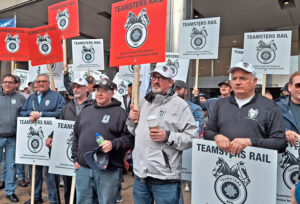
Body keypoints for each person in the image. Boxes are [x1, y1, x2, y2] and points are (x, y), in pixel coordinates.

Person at [128, 65, 198, 204]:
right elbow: (132, 131)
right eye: (154, 77)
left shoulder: (180, 105)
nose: (156, 81)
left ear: (170, 82)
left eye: (161, 78)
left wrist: (167, 137)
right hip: (140, 175)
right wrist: (130, 120)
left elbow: (192, 137)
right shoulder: (142, 102)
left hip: (165, 178)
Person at [72, 78, 134, 204]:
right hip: (83, 169)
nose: (99, 93)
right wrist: (75, 159)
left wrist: (113, 144)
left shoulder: (121, 114)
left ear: (112, 93)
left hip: (108, 171)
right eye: (97, 90)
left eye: (104, 91)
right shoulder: (86, 110)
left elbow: (129, 139)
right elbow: (76, 136)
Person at [204, 61, 287, 154]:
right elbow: (208, 131)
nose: (238, 82)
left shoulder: (269, 106)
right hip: (225, 162)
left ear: (254, 81)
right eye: (234, 78)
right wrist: (216, 137)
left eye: (243, 78)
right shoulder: (220, 104)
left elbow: (280, 143)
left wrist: (250, 142)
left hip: (256, 165)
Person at [46, 77, 93, 204]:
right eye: (74, 87)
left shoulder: (94, 105)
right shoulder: (67, 107)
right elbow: (60, 123)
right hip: (68, 152)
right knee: (68, 185)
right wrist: (51, 136)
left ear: (86, 88)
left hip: (87, 151)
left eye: (79, 86)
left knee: (86, 187)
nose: (76, 89)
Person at [20, 74, 65, 204]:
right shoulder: (32, 97)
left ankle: (53, 199)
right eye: (38, 81)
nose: (40, 83)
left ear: (48, 83)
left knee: (50, 173)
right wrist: (30, 114)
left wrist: (42, 114)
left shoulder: (57, 96)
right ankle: (36, 197)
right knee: (35, 171)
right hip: (34, 139)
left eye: (43, 81)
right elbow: (22, 111)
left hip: (50, 139)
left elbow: (61, 112)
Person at [0, 74, 26, 202]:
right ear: (2, 83)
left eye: (10, 82)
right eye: (5, 82)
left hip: (13, 138)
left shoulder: (21, 98)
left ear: (15, 84)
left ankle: (10, 191)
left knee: (11, 165)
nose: (7, 84)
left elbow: (25, 114)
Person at [276, 72, 300, 146]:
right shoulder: (275, 107)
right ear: (289, 87)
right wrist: (284, 132)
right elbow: (265, 128)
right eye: (298, 85)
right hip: (286, 155)